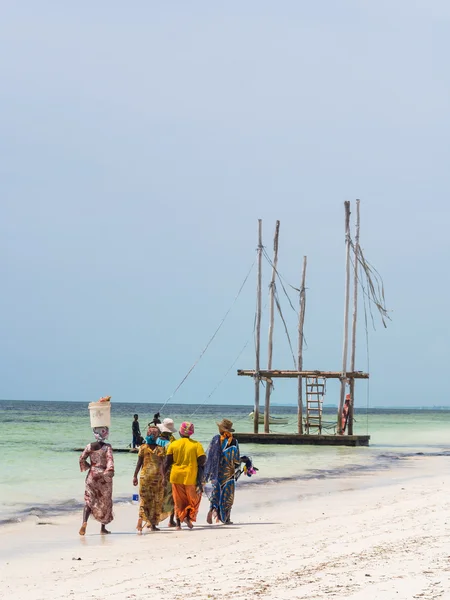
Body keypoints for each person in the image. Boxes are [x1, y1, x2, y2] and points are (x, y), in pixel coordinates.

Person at [164, 421, 205, 530]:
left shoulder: (173, 444)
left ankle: (178, 524)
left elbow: (167, 462)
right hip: (190, 476)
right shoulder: (197, 445)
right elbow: (202, 460)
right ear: (191, 433)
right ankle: (187, 517)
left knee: (178, 501)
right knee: (193, 499)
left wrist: (163, 476)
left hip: (176, 476)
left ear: (180, 432)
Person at [79, 425, 114, 536]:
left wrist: (88, 466)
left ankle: (84, 522)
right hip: (103, 476)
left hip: (92, 475)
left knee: (89, 500)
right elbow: (110, 461)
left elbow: (81, 458)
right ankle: (103, 528)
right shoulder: (107, 447)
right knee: (105, 502)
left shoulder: (89, 446)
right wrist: (109, 472)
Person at [204, 418, 240, 525]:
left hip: (217, 471)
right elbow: (237, 459)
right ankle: (226, 518)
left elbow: (209, 456)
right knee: (228, 494)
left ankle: (212, 509)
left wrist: (208, 471)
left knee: (216, 492)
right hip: (229, 473)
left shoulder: (215, 439)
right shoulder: (234, 441)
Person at [132, 425, 168, 532]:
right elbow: (162, 465)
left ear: (147, 435)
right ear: (157, 436)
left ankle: (140, 519)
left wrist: (135, 476)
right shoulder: (161, 449)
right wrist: (164, 478)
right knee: (156, 501)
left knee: (144, 499)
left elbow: (139, 463)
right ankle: (152, 525)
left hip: (145, 477)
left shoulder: (143, 448)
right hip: (157, 477)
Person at [157, 418, 177, 527]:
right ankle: (171, 520)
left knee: (157, 496)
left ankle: (153, 520)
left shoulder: (155, 441)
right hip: (168, 472)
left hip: (156, 471)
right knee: (171, 496)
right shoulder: (171, 443)